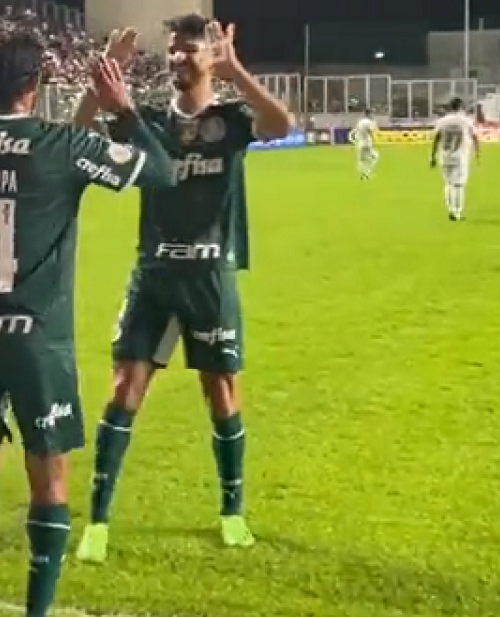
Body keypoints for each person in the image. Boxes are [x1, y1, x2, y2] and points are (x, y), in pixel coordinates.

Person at [0, 32, 178, 617]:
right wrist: (121, 108)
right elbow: (160, 172)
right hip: (36, 337)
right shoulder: (61, 146)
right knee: (49, 475)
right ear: (36, 85)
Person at [69, 14, 295, 563]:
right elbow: (76, 132)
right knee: (123, 391)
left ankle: (232, 511)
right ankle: (97, 521)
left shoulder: (230, 120)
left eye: (188, 50)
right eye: (172, 50)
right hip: (154, 275)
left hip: (210, 277)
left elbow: (282, 124)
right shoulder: (147, 119)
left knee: (222, 394)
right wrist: (103, 78)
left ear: (209, 57)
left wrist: (238, 72)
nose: (176, 58)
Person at [430, 97, 479, 221]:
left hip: (444, 156)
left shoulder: (442, 121)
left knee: (448, 184)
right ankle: (457, 212)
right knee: (459, 185)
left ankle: (451, 210)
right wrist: (477, 153)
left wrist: (432, 156)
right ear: (461, 107)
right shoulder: (466, 121)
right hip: (460, 156)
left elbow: (436, 139)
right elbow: (475, 137)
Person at [351, 108, 379, 179]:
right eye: (372, 113)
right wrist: (374, 139)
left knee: (362, 160)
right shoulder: (369, 122)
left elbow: (356, 131)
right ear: (369, 114)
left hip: (360, 143)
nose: (373, 115)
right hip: (367, 143)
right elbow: (370, 131)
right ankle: (367, 173)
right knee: (375, 157)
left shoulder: (360, 122)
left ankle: (363, 174)